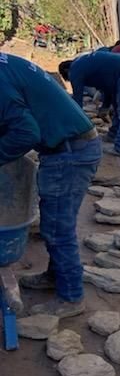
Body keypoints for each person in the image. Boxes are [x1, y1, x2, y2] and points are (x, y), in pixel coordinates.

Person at [0, 52, 102, 318]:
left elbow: (25, 133)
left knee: (57, 228)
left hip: (69, 152)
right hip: (71, 145)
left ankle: (71, 298)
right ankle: (55, 276)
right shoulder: (5, 63)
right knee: (55, 223)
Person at [59, 51, 120, 157]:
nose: (72, 81)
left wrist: (74, 129)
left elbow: (77, 102)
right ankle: (113, 135)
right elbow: (106, 88)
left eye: (69, 79)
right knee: (117, 106)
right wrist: (105, 107)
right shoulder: (85, 65)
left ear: (66, 71)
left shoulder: (75, 69)